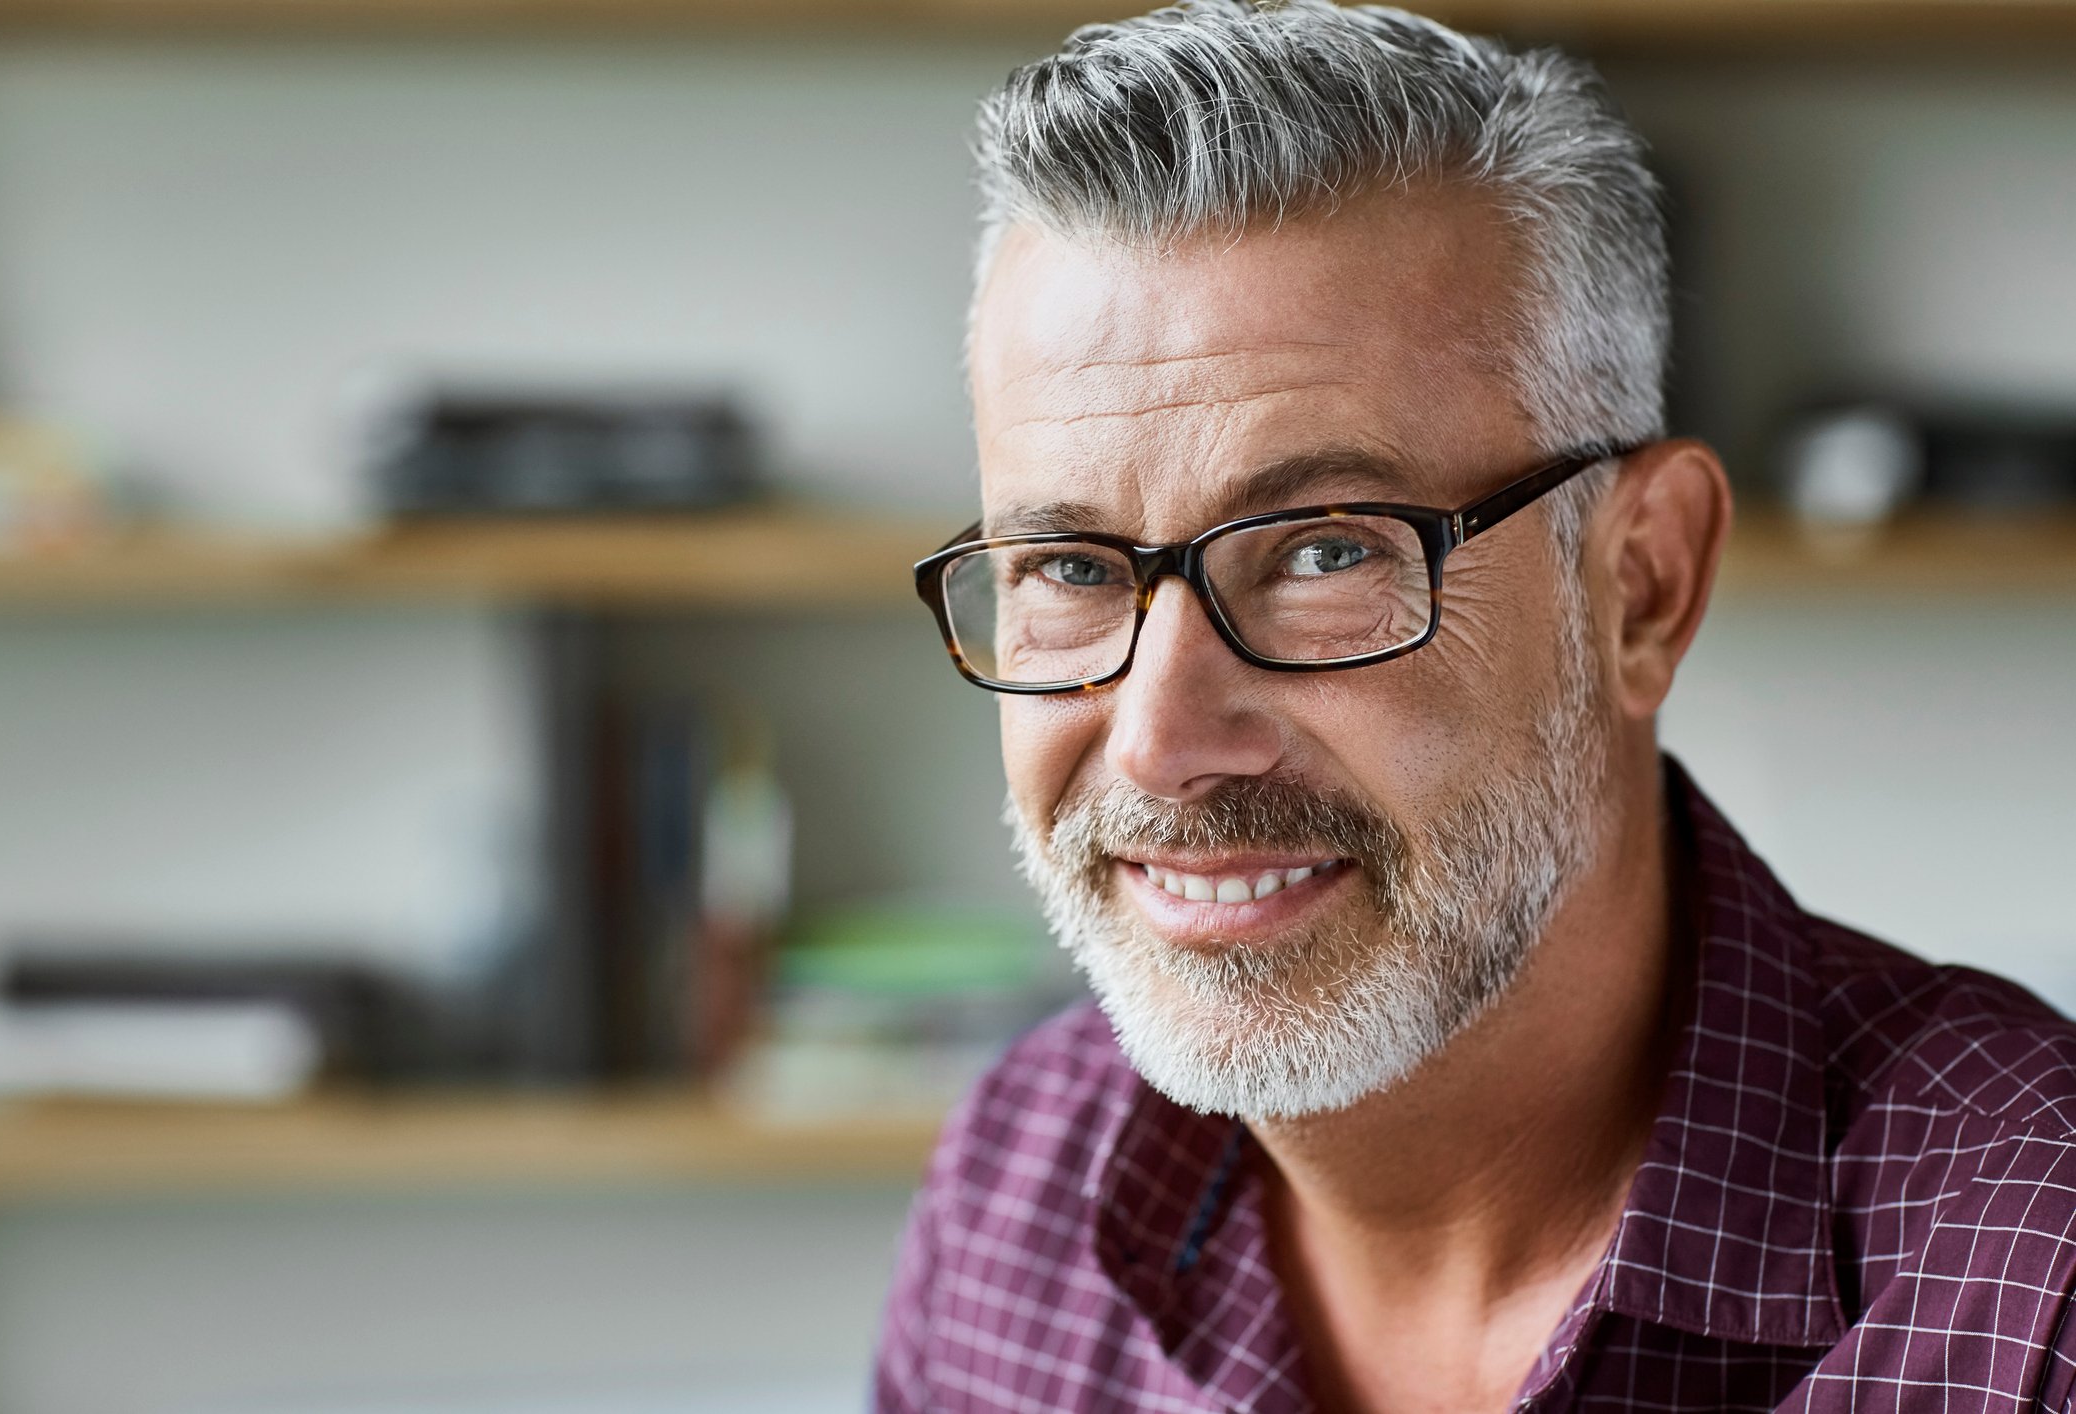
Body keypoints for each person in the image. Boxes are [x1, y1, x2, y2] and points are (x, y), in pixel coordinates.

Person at [876, 3, 2076, 1410]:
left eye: (1327, 550)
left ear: (1640, 584)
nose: (1155, 738)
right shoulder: (1011, 1189)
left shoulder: (2036, 1297)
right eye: (1069, 567)